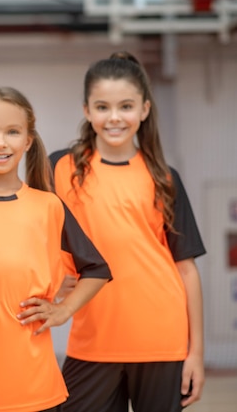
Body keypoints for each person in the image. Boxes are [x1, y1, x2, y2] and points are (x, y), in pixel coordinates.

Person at [50, 51, 206, 412]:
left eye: (126, 106)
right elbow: (39, 234)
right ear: (87, 111)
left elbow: (186, 270)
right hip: (92, 339)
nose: (115, 117)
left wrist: (195, 352)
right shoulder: (60, 167)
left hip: (161, 338)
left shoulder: (165, 178)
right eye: (102, 107)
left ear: (145, 109)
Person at [0, 86, 112, 412]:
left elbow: (97, 269)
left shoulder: (49, 207)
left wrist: (63, 310)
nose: (1, 142)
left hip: (37, 388)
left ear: (28, 141)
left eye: (12, 131)